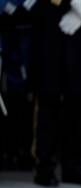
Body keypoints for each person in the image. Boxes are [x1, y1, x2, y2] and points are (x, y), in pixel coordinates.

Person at [29, 0, 81, 187]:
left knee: (79, 98)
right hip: (50, 20)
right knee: (48, 97)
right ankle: (44, 167)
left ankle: (74, 167)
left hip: (80, 22)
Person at [0, 0, 35, 172]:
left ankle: (23, 150)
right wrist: (8, 7)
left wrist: (28, 7)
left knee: (24, 93)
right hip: (6, 28)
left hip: (26, 30)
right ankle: (8, 150)